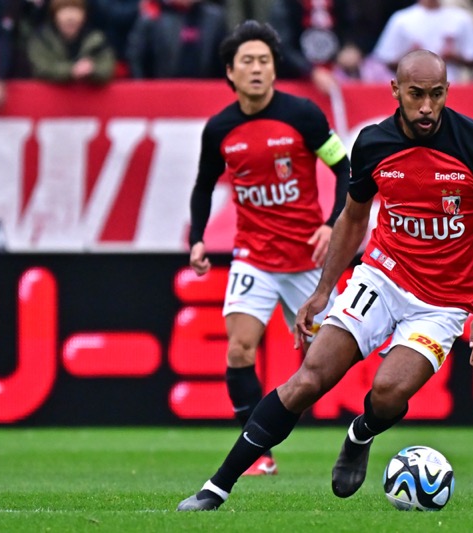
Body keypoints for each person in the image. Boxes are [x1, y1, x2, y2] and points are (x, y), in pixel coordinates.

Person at [177, 48, 473, 512]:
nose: (426, 107)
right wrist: (323, 290)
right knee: (308, 380)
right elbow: (353, 219)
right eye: (416, 95)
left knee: (387, 390)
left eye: (436, 95)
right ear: (395, 91)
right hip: (381, 278)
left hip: (442, 303)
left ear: (447, 93)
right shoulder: (374, 144)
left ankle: (361, 433)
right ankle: (216, 488)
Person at [187, 20, 351, 476]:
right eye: (248, 62)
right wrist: (197, 238)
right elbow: (203, 186)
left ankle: (358, 436)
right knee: (239, 349)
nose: (257, 69)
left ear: (275, 69)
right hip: (253, 257)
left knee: (332, 360)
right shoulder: (219, 128)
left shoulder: (303, 115)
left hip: (307, 261)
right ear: (230, 73)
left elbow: (345, 170)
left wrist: (331, 224)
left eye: (264, 61)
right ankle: (259, 450)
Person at [371, 0, 473, 83]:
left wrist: (454, 56)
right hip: (413, 89)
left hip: (453, 87)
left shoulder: (461, 18)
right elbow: (386, 60)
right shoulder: (401, 19)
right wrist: (411, 57)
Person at [126, 0, 227, 79]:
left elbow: (224, 58)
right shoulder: (152, 17)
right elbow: (136, 57)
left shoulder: (214, 18)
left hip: (205, 91)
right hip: (163, 92)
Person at [26, 0, 115, 83]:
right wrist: (71, 70)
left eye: (76, 11)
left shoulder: (96, 39)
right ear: (54, 14)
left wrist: (92, 68)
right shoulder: (43, 38)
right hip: (50, 96)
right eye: (64, 11)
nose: (70, 17)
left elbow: (107, 67)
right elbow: (41, 68)